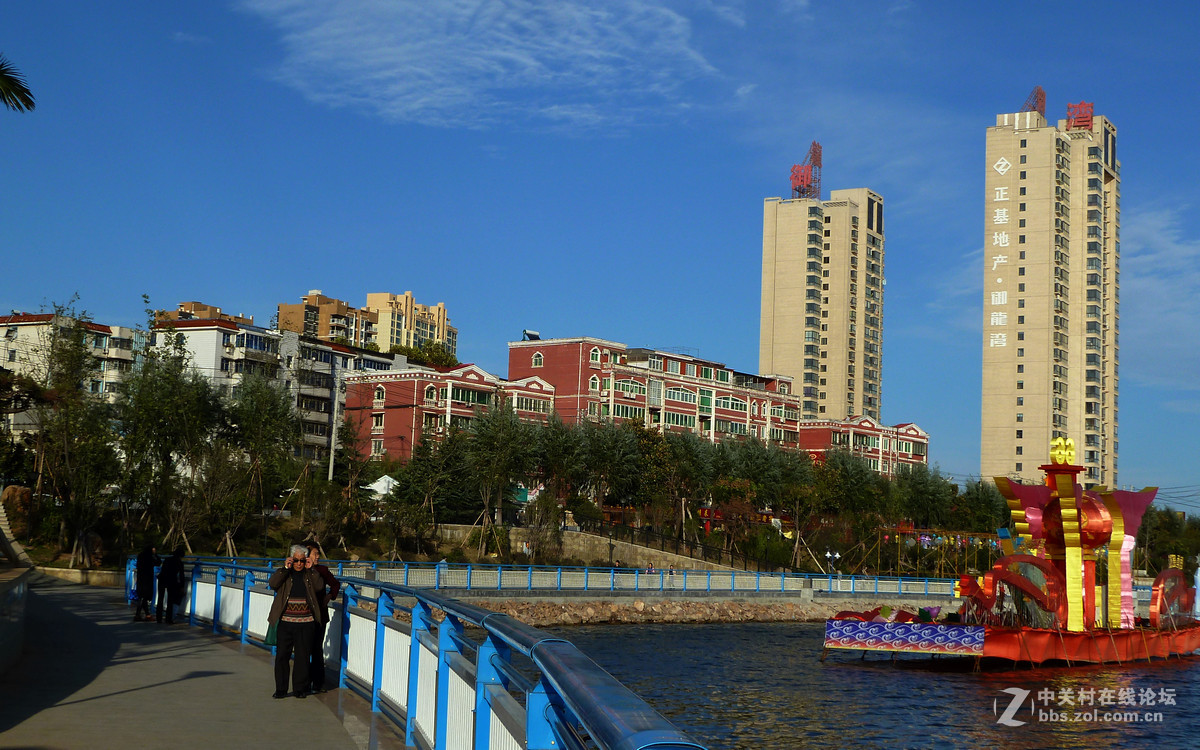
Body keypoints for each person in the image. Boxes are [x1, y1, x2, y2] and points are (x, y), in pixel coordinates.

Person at [268, 544, 327, 699]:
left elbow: (320, 587)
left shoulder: (310, 575)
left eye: (302, 560)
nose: (299, 564)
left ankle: (299, 689)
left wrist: (311, 568)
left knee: (302, 657)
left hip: (306, 623)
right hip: (286, 622)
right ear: (291, 560)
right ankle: (281, 689)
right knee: (282, 656)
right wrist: (285, 568)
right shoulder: (285, 574)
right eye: (296, 560)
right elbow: (273, 583)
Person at [305, 542, 341, 693]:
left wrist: (330, 596)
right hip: (304, 616)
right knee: (304, 650)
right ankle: (303, 683)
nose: (318, 557)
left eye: (318, 554)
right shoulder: (299, 569)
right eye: (315, 554)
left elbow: (335, 585)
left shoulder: (323, 570)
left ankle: (318, 684)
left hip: (320, 616)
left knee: (317, 650)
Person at [156, 546, 186, 624]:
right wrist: (182, 586)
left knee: (160, 599)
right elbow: (181, 576)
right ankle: (168, 619)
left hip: (162, 580)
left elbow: (163, 570)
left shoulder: (167, 559)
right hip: (171, 582)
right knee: (170, 600)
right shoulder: (179, 563)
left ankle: (158, 618)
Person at [134, 544, 159, 621]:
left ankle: (147, 615)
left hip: (141, 578)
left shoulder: (140, 555)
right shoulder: (150, 556)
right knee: (143, 597)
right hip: (147, 579)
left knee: (142, 597)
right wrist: (155, 555)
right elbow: (158, 562)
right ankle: (138, 615)